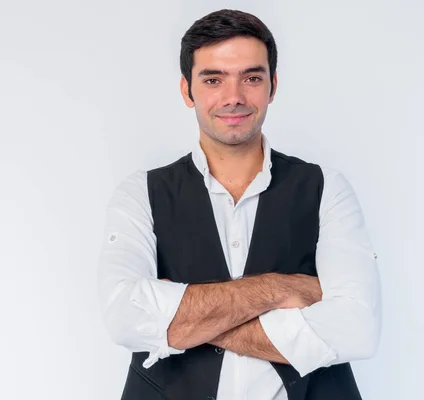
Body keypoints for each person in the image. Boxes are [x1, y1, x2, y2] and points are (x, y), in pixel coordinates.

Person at [97, 9, 381, 400]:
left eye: (251, 78)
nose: (234, 97)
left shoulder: (326, 188)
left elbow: (357, 329)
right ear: (187, 90)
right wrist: (278, 289)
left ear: (272, 86)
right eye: (213, 79)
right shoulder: (141, 193)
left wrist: (181, 318)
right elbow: (125, 318)